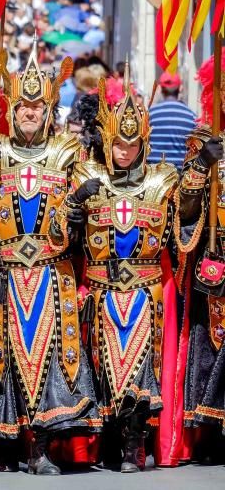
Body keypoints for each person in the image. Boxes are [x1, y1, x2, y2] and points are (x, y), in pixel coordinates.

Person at [0, 50, 101, 475]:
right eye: (22, 107)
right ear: (11, 109)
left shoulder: (67, 152)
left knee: (48, 358)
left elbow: (92, 208)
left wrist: (79, 213)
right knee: (4, 359)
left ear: (49, 110)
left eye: (37, 107)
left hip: (51, 275)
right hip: (5, 274)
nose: (29, 114)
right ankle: (7, 444)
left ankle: (39, 446)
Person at [54, 75, 195, 472]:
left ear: (143, 142)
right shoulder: (85, 177)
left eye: (132, 144)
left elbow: (184, 223)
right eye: (118, 143)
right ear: (107, 140)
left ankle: (136, 441)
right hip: (100, 289)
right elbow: (62, 237)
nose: (125, 151)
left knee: (141, 368)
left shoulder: (162, 178)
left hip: (147, 291)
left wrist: (199, 171)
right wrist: (73, 208)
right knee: (104, 369)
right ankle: (111, 443)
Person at [180, 56, 225, 462]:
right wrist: (200, 167)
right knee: (213, 345)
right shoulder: (205, 141)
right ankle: (211, 434)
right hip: (218, 259)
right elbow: (187, 209)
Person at [147, 72, 197, 168]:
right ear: (180, 88)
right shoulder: (191, 116)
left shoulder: (150, 113)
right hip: (181, 176)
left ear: (161, 89)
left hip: (153, 174)